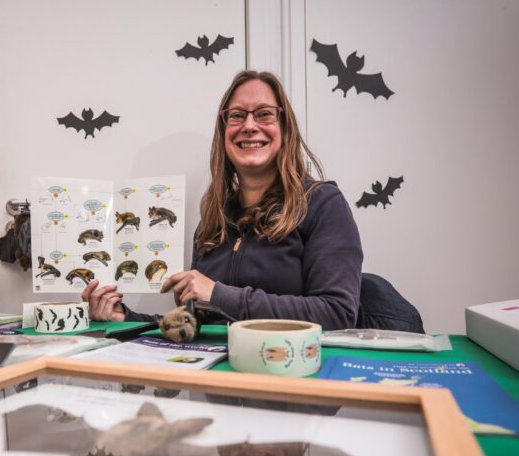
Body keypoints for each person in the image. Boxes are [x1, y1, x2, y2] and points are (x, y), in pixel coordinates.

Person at [83, 70, 363, 330]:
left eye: (264, 114)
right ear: (224, 131)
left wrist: (218, 294)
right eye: (237, 116)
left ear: (285, 128)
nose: (250, 126)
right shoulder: (214, 219)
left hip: (290, 376)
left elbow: (337, 314)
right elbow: (196, 325)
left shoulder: (322, 204)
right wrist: (123, 316)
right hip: (220, 378)